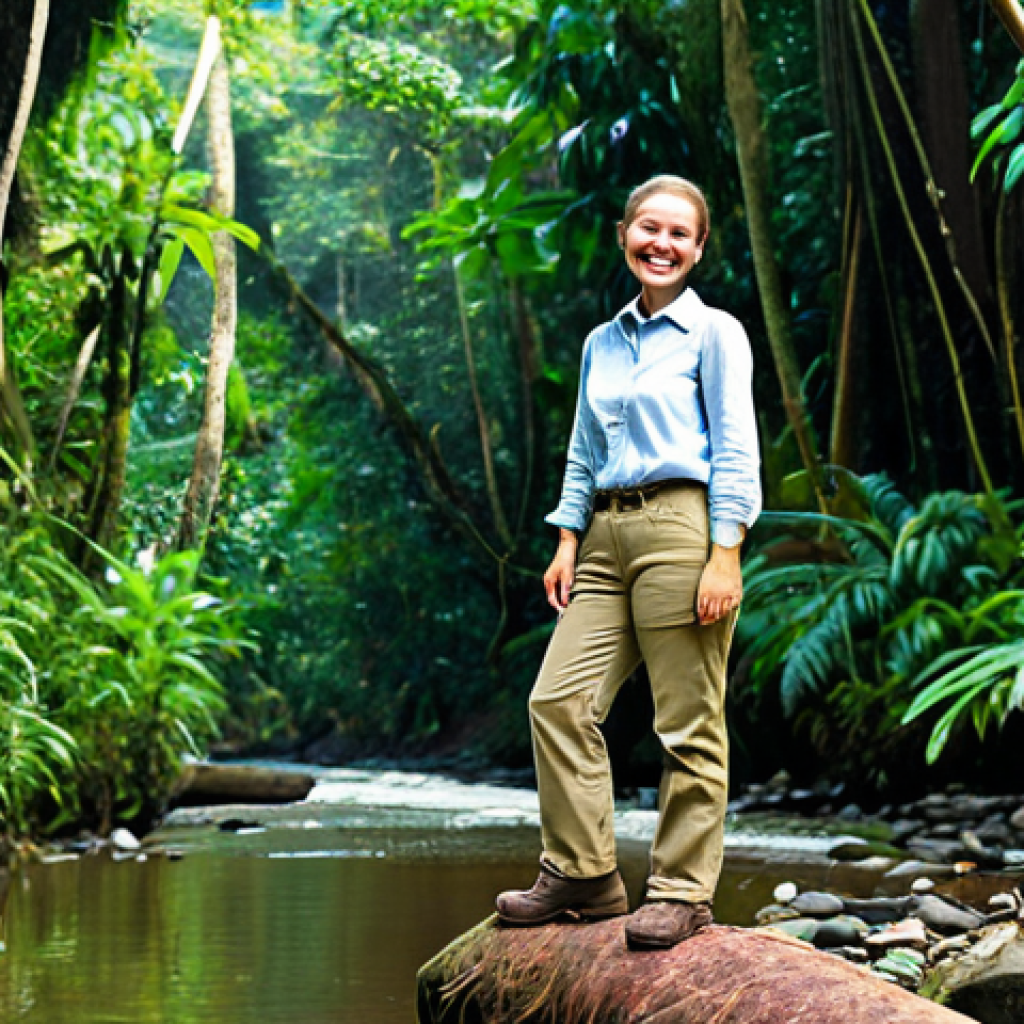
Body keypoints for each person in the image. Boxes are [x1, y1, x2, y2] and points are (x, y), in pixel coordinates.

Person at [495, 174, 761, 950]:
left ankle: (681, 893)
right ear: (624, 235)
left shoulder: (716, 334)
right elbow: (583, 449)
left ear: (699, 248)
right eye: (650, 228)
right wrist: (567, 537)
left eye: (680, 233)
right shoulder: (600, 343)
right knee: (558, 701)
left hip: (685, 525)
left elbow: (737, 449)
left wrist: (726, 552)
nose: (662, 244)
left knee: (686, 721)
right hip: (605, 535)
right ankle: (582, 873)